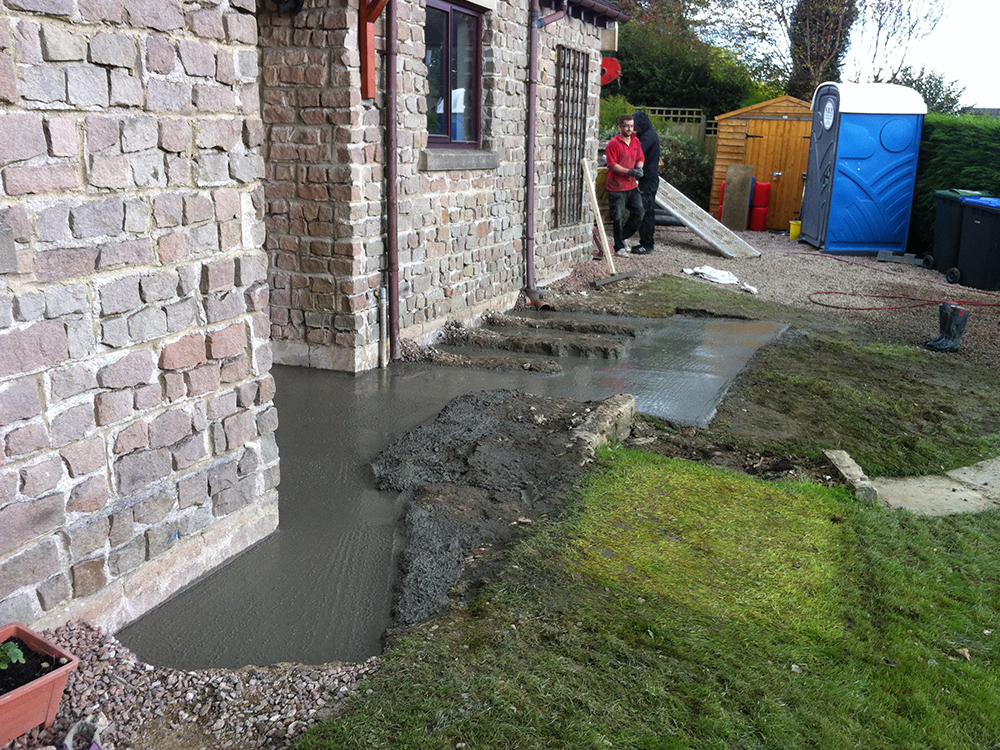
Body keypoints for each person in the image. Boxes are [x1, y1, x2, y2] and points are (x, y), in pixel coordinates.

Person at [605, 114, 645, 256]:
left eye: (631, 126)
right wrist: (630, 171)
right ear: (620, 126)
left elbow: (640, 157)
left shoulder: (636, 141)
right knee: (618, 218)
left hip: (631, 185)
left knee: (639, 212)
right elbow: (612, 165)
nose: (629, 129)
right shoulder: (613, 144)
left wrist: (639, 168)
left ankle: (622, 237)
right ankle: (619, 247)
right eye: (627, 126)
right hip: (616, 187)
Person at [632, 111, 660, 254]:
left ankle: (647, 244)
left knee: (646, 211)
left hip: (648, 179)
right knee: (646, 210)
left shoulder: (648, 136)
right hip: (648, 178)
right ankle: (646, 242)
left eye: (635, 126)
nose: (634, 129)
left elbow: (637, 152)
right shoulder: (647, 133)